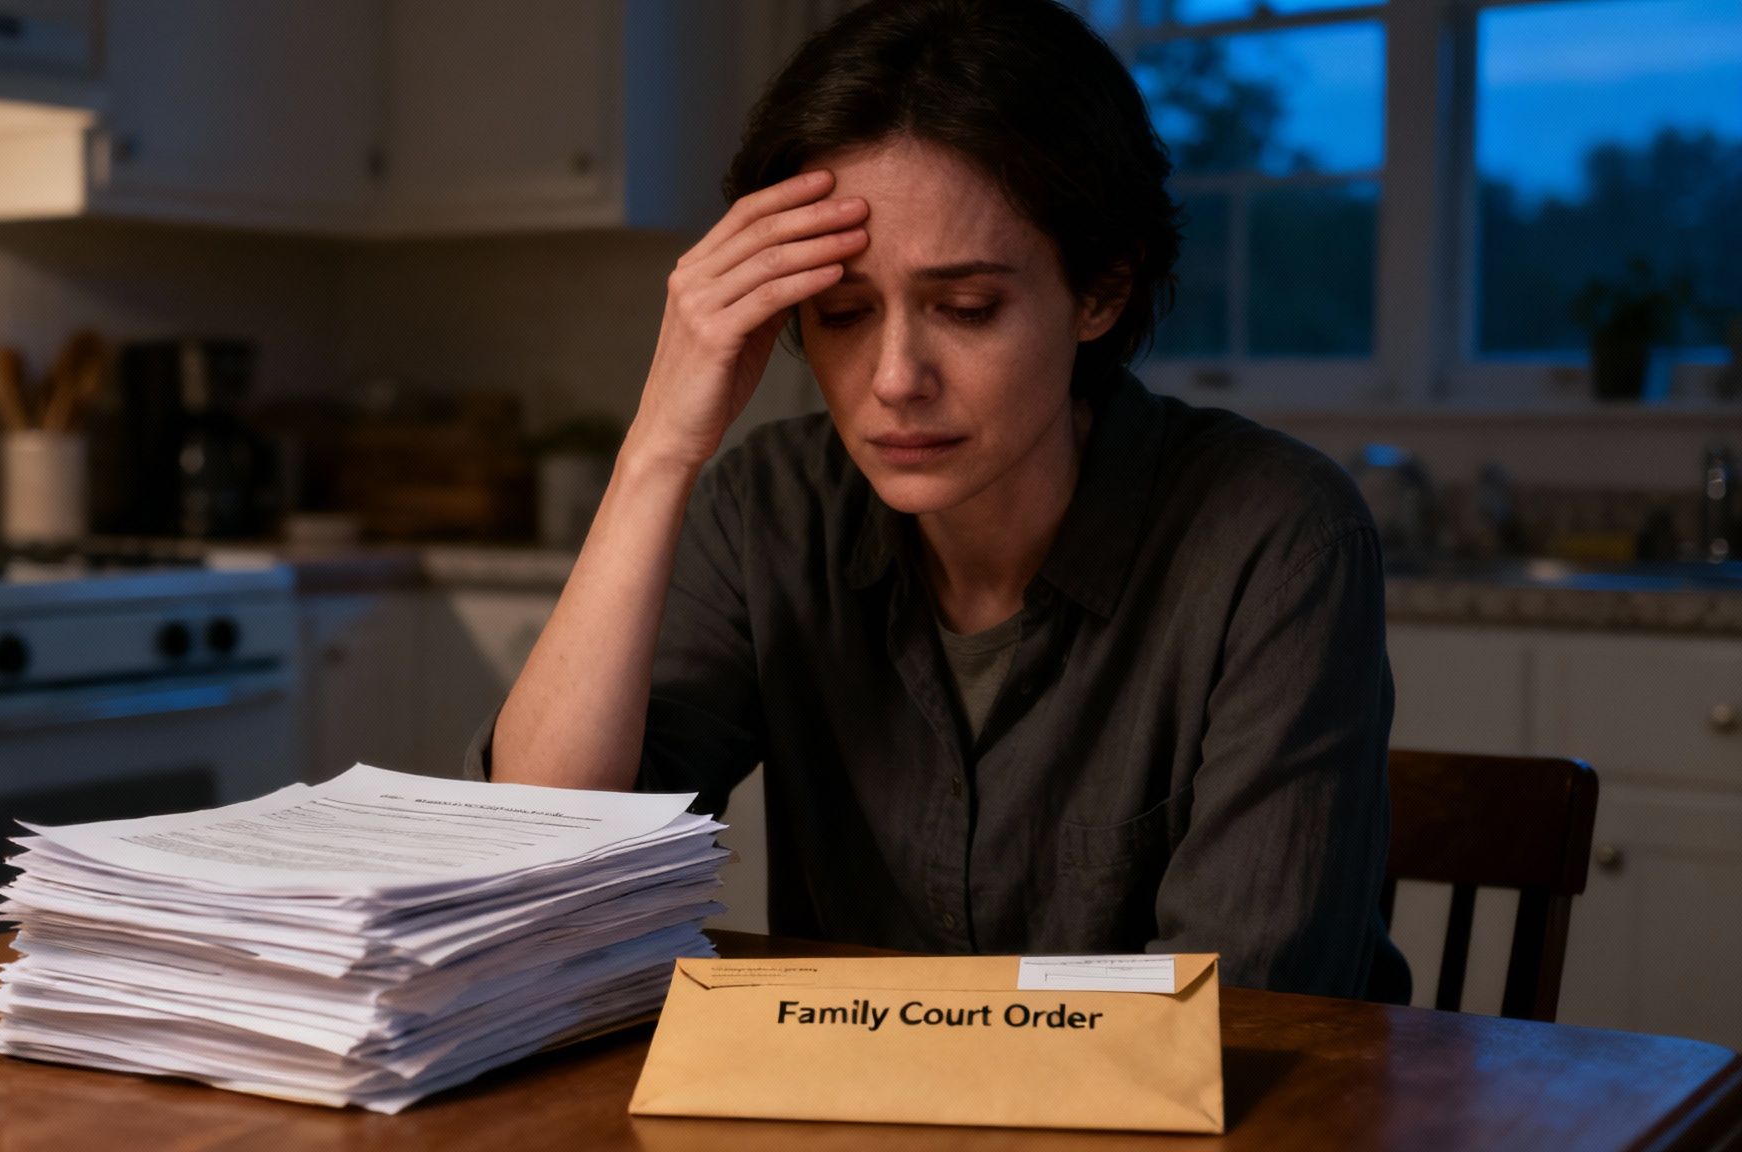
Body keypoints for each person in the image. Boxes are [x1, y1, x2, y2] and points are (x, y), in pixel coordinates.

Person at [467, 0, 1410, 1003]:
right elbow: (545, 861)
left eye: (965, 309)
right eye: (840, 314)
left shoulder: (1274, 535)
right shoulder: (768, 512)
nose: (893, 379)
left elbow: (1237, 1006)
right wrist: (658, 448)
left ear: (1097, 291)